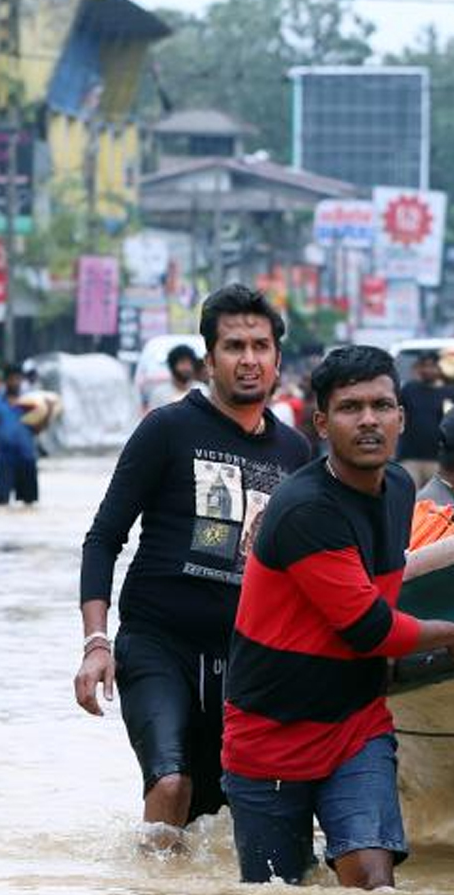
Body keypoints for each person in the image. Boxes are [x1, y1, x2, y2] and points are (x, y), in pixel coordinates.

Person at [222, 345, 454, 887]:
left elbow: (387, 595)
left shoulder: (398, 489)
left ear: (403, 417)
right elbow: (370, 628)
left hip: (356, 725)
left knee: (373, 892)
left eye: (381, 405)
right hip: (270, 734)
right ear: (322, 423)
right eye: (350, 408)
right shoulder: (307, 510)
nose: (368, 420)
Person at [74, 284, 314, 849]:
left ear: (278, 359)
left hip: (245, 658)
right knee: (171, 780)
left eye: (260, 346)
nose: (248, 359)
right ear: (210, 358)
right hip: (159, 643)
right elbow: (103, 537)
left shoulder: (296, 454)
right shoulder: (167, 430)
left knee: (225, 815)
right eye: (234, 346)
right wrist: (95, 643)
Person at [395, 352, 454, 487]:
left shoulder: (450, 393)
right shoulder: (409, 389)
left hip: (438, 460)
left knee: (435, 504)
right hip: (410, 458)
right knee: (408, 500)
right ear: (418, 368)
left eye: (431, 366)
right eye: (424, 366)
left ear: (439, 368)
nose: (428, 370)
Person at [0, 365, 39, 506]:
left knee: (29, 505)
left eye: (18, 379)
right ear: (5, 381)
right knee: (2, 503)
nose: (15, 383)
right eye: (12, 379)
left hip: (26, 459)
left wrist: (48, 413)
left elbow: (37, 429)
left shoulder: (30, 403)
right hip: (3, 460)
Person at [146, 344, 201, 411]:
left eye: (190, 363)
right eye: (183, 363)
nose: (187, 368)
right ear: (172, 365)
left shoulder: (202, 391)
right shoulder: (160, 393)